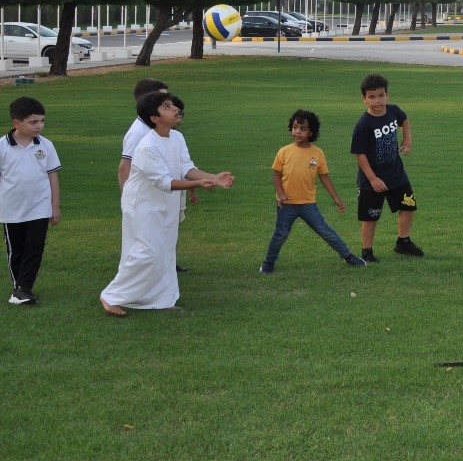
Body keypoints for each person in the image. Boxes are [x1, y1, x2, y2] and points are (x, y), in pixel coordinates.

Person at [100, 92, 234, 316]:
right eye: (167, 107)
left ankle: (160, 299)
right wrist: (200, 184)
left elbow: (186, 167)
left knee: (164, 252)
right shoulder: (146, 146)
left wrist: (213, 178)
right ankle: (111, 295)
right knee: (147, 252)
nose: (175, 109)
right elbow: (163, 182)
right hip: (142, 205)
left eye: (173, 105)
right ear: (155, 118)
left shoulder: (177, 138)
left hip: (164, 204)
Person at [261, 109, 365, 272]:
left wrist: (336, 198)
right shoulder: (284, 152)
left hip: (308, 204)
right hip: (286, 204)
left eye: (303, 129)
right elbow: (276, 175)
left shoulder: (317, 153)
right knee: (280, 235)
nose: (297, 132)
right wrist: (280, 194)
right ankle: (268, 264)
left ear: (311, 132)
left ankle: (348, 256)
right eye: (295, 127)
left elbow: (324, 177)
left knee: (325, 231)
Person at [119, 79, 192, 275]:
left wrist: (197, 182)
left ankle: (164, 274)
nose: (175, 107)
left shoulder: (173, 135)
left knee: (165, 239)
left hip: (166, 196)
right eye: (165, 103)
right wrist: (128, 201)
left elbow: (182, 165)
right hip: (147, 199)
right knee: (145, 249)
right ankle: (125, 288)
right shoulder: (140, 135)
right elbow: (125, 167)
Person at [351, 74, 422, 261]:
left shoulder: (393, 111)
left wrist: (407, 141)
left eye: (381, 95)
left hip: (396, 175)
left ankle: (403, 242)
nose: (377, 101)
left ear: (387, 95)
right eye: (372, 97)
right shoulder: (363, 125)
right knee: (370, 216)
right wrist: (373, 179)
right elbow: (360, 154)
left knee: (408, 206)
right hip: (372, 180)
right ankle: (367, 252)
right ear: (364, 99)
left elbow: (404, 120)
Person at [2, 97, 61, 306]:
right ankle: (20, 288)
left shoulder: (46, 146)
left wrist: (55, 207)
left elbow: (52, 176)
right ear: (17, 123)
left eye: (42, 121)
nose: (39, 126)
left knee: (35, 248)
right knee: (16, 249)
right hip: (11, 209)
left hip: (40, 207)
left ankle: (24, 288)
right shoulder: (2, 147)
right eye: (34, 122)